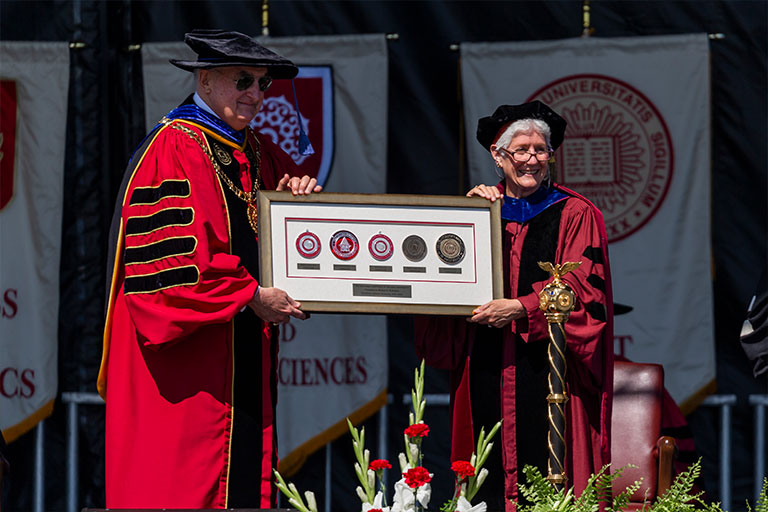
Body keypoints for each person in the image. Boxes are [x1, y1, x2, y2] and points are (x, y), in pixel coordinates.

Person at [98, 29, 321, 509]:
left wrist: (298, 193)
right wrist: (251, 297)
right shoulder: (175, 147)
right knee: (183, 487)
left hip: (238, 358)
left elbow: (284, 223)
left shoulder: (253, 150)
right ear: (205, 80)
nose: (256, 94)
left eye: (263, 84)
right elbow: (175, 270)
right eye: (244, 80)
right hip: (187, 372)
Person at [415, 101, 614, 511]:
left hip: (550, 368)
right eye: (520, 150)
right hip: (485, 365)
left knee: (549, 479)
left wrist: (523, 307)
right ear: (497, 154)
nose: (532, 159)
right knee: (482, 478)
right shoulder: (476, 212)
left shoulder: (575, 213)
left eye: (540, 150)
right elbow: (440, 281)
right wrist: (466, 220)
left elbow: (582, 288)